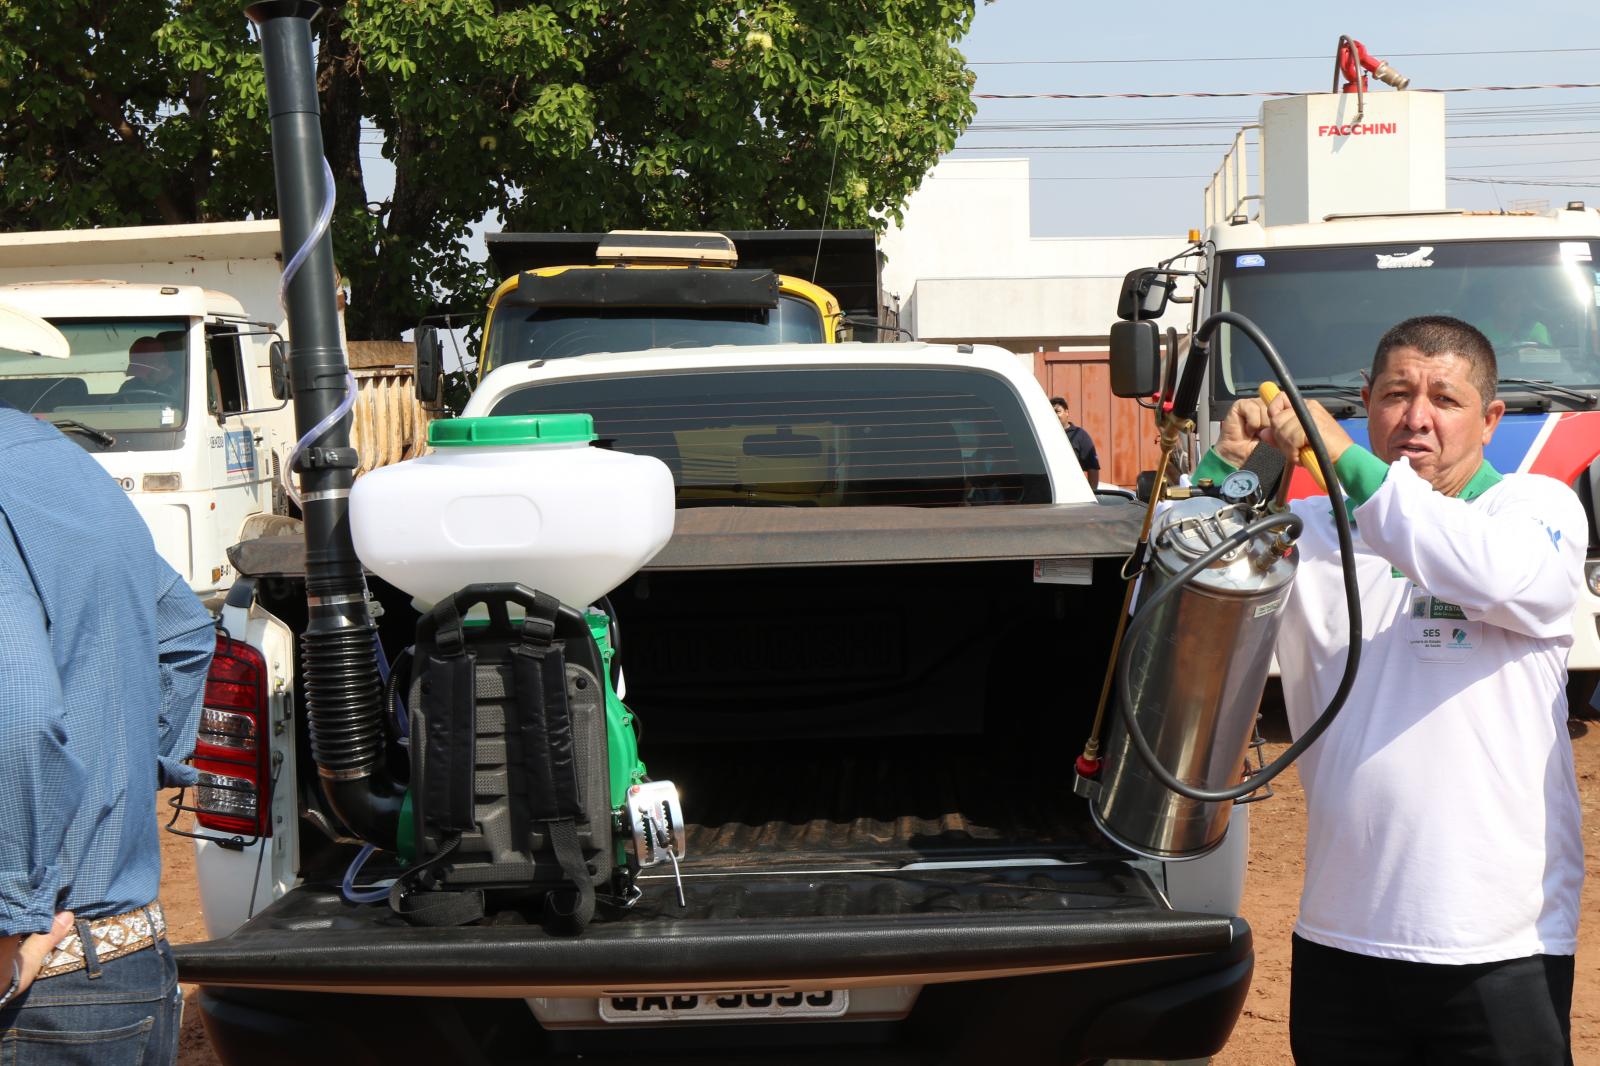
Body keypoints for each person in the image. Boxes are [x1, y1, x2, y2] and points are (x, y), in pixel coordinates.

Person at [1195, 315, 1585, 1064]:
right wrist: (1229, 471)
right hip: (1342, 937)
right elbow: (1177, 591)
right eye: (1397, 395)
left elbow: (1486, 570)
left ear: (1490, 419)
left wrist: (1338, 454)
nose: (1417, 418)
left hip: (1498, 943)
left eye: (1445, 399)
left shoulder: (1533, 512)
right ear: (1367, 401)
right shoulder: (1307, 530)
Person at [0, 398, 213, 1061]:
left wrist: (9, 921)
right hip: (127, 958)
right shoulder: (57, 461)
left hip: (36, 982)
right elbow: (185, 632)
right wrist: (111, 784)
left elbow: (18, 714)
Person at [119, 332, 187, 404]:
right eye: (139, 373)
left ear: (163, 363)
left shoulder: (185, 386)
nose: (143, 377)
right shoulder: (129, 387)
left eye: (148, 373)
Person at [1050, 395, 1100, 489]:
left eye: (1057, 411)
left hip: (1072, 491)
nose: (1054, 415)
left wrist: (1092, 492)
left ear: (1066, 412)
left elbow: (1093, 467)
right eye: (1051, 412)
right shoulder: (1045, 435)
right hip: (1049, 490)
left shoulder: (1080, 435)